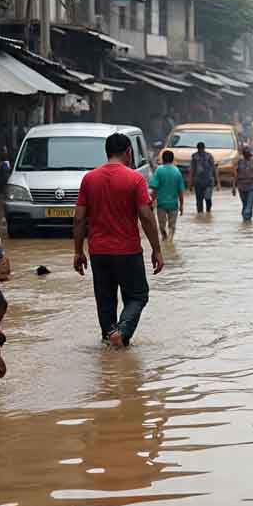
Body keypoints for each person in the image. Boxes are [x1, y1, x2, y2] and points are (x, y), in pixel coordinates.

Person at [73, 133, 164, 348]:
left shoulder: (89, 179)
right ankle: (122, 332)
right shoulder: (135, 179)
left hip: (98, 251)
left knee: (105, 300)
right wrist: (157, 249)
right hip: (128, 251)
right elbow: (147, 217)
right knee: (138, 296)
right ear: (128, 152)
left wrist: (78, 251)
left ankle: (110, 340)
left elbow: (78, 218)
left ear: (107, 152)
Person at [149, 150, 185, 240]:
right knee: (172, 226)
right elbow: (180, 191)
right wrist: (181, 205)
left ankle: (164, 237)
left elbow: (155, 188)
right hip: (173, 204)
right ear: (172, 159)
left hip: (161, 204)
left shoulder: (159, 170)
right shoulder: (177, 171)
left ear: (162, 159)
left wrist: (150, 201)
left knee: (162, 225)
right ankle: (170, 240)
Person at [232, 147, 253, 222]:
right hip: (241, 186)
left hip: (251, 186)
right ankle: (247, 221)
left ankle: (246, 223)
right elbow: (235, 175)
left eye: (249, 154)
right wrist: (233, 187)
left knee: (249, 206)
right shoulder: (239, 162)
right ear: (244, 154)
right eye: (247, 154)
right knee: (245, 205)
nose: (248, 156)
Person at [189, 142, 220, 214]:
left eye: (201, 149)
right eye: (199, 149)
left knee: (207, 197)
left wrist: (217, 183)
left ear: (204, 148)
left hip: (208, 181)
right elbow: (192, 170)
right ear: (197, 149)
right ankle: (200, 216)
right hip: (198, 182)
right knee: (199, 201)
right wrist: (190, 183)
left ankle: (208, 212)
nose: (200, 150)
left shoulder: (209, 156)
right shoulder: (194, 156)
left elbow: (214, 169)